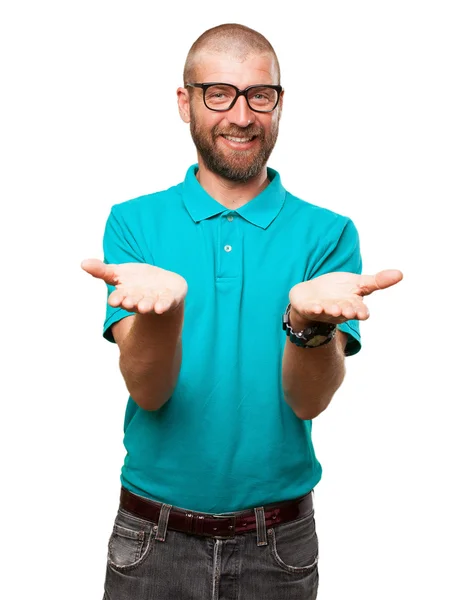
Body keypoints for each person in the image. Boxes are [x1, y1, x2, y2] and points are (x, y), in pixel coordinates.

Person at [82, 22, 403, 600]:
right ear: (186, 102)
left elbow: (309, 402)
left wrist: (306, 325)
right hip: (151, 539)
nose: (241, 115)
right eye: (219, 94)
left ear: (279, 105)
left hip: (277, 546)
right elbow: (149, 392)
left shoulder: (328, 236)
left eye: (260, 95)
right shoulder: (133, 224)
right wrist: (164, 315)